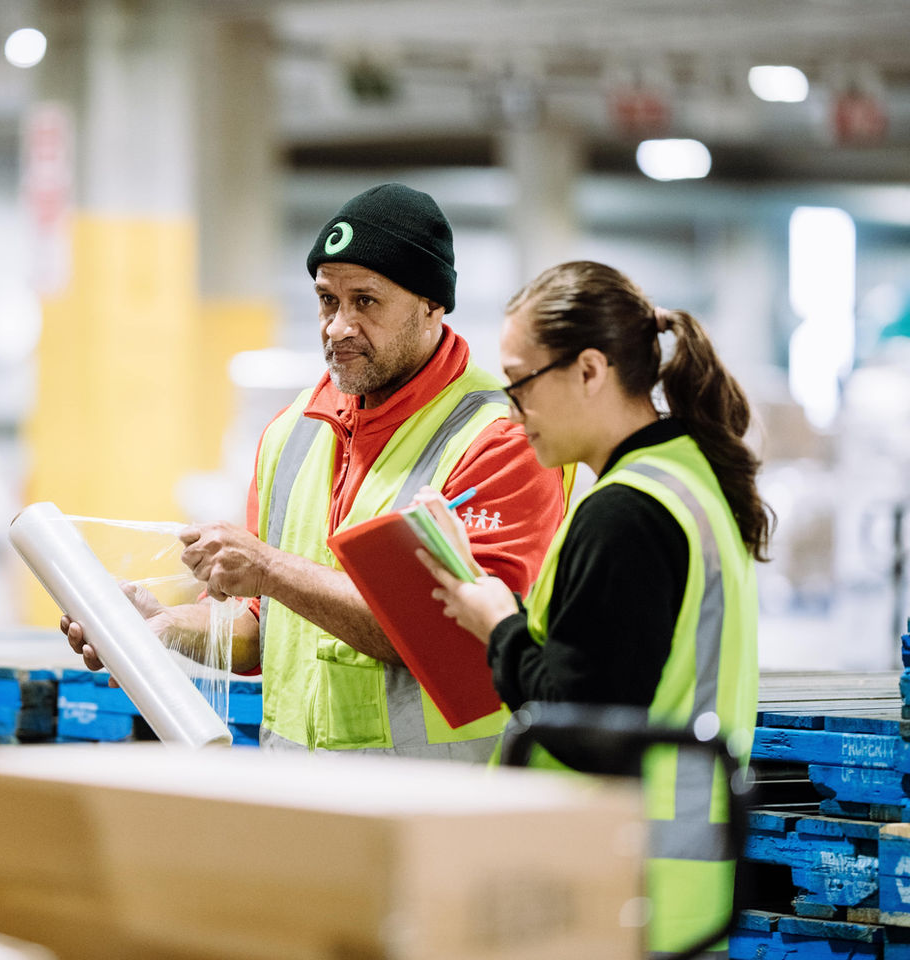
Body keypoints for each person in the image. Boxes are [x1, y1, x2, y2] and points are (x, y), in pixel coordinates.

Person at [64, 182, 567, 759]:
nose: (338, 326)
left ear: (432, 305)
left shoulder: (499, 438)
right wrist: (165, 625)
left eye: (366, 301)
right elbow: (262, 626)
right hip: (301, 798)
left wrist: (269, 569)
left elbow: (456, 636)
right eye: (328, 299)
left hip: (431, 804)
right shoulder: (292, 433)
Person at [419, 260, 767, 956]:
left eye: (519, 383)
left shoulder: (625, 515)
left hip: (619, 887)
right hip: (679, 890)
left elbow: (585, 723)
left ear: (588, 370)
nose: (512, 413)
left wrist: (499, 625)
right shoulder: (686, 480)